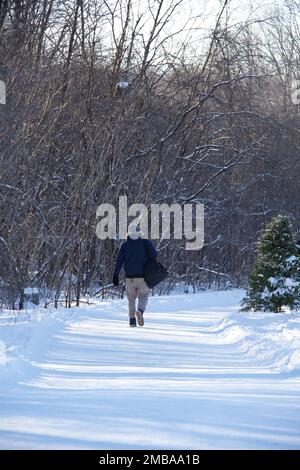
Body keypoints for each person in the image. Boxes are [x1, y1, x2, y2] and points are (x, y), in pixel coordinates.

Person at [112, 225, 157, 327]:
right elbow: (154, 254)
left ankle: (132, 320)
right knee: (143, 296)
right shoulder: (145, 242)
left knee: (131, 299)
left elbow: (119, 261)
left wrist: (115, 275)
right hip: (143, 277)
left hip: (130, 278)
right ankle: (140, 311)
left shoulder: (125, 246)